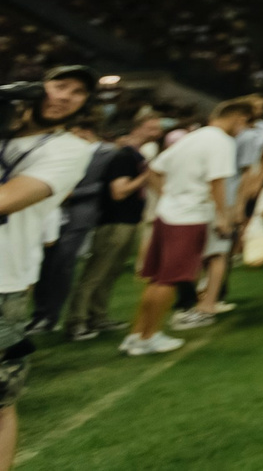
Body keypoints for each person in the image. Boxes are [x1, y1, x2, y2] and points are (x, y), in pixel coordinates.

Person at [0, 67, 98, 466]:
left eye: (78, 93)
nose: (66, 97)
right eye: (60, 85)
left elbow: (4, 200)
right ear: (37, 87)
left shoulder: (69, 149)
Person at [128, 100, 248, 353]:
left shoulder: (193, 137)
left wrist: (167, 196)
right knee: (169, 280)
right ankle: (149, 338)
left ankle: (137, 335)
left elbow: (154, 169)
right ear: (237, 118)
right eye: (245, 123)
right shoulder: (221, 142)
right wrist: (224, 216)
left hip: (167, 213)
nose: (243, 129)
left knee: (157, 279)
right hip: (190, 216)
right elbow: (217, 183)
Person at [64, 110, 159, 340]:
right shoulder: (124, 157)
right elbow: (119, 192)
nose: (158, 131)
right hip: (114, 221)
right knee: (96, 273)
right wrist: (146, 176)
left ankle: (98, 316)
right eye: (153, 127)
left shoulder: (133, 155)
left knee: (111, 272)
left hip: (126, 221)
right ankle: (76, 322)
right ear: (138, 128)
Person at [195, 96, 263, 321]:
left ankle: (212, 295)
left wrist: (239, 205)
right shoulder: (233, 137)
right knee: (216, 250)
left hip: (224, 196)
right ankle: (209, 297)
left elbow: (246, 172)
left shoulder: (243, 137)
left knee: (218, 249)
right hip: (221, 196)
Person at [26, 114, 104, 332]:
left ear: (84, 131)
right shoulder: (52, 152)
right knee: (42, 267)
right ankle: (39, 314)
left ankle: (51, 316)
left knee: (61, 268)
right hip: (51, 215)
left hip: (78, 217)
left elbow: (103, 187)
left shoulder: (107, 153)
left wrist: (70, 192)